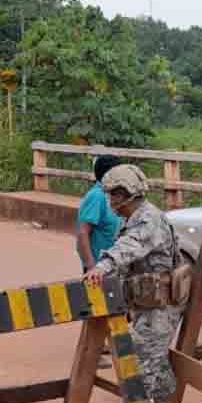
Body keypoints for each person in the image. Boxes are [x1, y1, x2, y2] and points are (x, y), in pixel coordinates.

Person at [82, 165, 185, 403]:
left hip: (159, 306)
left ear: (127, 194)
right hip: (151, 302)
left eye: (115, 195)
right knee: (155, 359)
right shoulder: (135, 216)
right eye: (110, 194)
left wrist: (101, 266)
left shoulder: (146, 220)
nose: (111, 201)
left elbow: (129, 247)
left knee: (136, 367)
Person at [76, 155, 123, 369]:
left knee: (110, 307)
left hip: (112, 262)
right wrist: (90, 266)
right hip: (97, 263)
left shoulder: (112, 196)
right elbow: (83, 233)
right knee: (95, 308)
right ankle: (90, 354)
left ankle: (102, 345)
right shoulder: (96, 197)